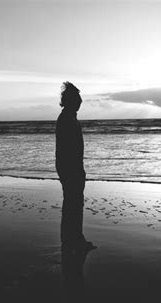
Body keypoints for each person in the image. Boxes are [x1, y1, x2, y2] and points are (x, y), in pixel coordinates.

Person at [56, 82, 94, 249]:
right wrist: (75, 170)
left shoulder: (70, 117)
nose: (81, 102)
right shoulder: (66, 119)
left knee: (74, 204)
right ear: (71, 100)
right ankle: (72, 240)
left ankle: (72, 239)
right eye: (78, 99)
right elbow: (66, 149)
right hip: (70, 168)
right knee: (73, 204)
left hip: (72, 167)